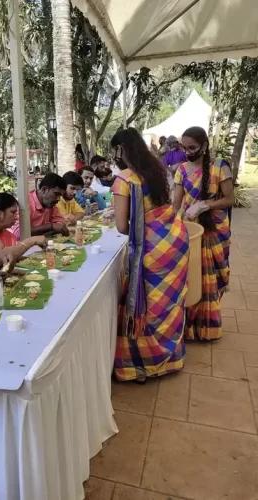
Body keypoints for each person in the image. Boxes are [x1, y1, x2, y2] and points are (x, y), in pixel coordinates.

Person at [111, 128, 189, 383]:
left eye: (114, 150)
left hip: (151, 248)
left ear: (120, 149)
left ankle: (146, 364)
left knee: (148, 304)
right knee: (168, 303)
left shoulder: (124, 179)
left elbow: (123, 228)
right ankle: (171, 357)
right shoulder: (155, 170)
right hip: (175, 240)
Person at [174, 126, 235, 341]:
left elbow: (230, 199)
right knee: (191, 277)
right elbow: (175, 205)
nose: (188, 151)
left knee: (210, 278)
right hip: (191, 230)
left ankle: (208, 327)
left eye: (192, 147)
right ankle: (189, 328)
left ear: (204, 145)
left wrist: (205, 205)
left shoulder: (219, 166)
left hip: (215, 229)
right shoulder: (181, 170)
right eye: (184, 147)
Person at [11, 173, 69, 240]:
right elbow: (19, 234)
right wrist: (50, 226)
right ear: (44, 190)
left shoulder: (51, 204)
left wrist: (55, 227)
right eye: (56, 194)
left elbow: (59, 223)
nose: (58, 199)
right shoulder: (25, 204)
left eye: (60, 195)